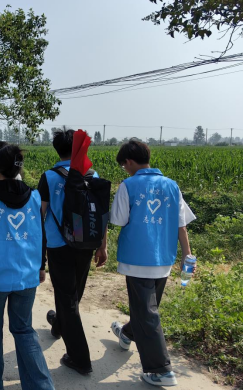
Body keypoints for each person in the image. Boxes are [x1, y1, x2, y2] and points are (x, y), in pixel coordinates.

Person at [109, 139, 195, 387]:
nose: (125, 169)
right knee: (146, 309)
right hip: (163, 258)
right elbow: (181, 225)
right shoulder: (172, 185)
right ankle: (127, 333)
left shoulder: (128, 185)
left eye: (124, 165)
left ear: (128, 162)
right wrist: (187, 255)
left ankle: (161, 370)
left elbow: (118, 220)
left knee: (147, 313)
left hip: (137, 258)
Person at [0, 145, 54, 390]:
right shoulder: (34, 196)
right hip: (27, 275)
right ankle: (41, 385)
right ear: (19, 168)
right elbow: (41, 234)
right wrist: (42, 266)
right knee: (24, 329)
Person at [37, 129, 107, 375]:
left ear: (57, 149)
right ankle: (59, 325)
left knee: (67, 298)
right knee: (73, 294)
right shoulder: (91, 174)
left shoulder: (49, 177)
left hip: (58, 244)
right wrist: (102, 245)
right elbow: (100, 213)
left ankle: (80, 359)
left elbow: (40, 214)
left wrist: (38, 253)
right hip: (86, 243)